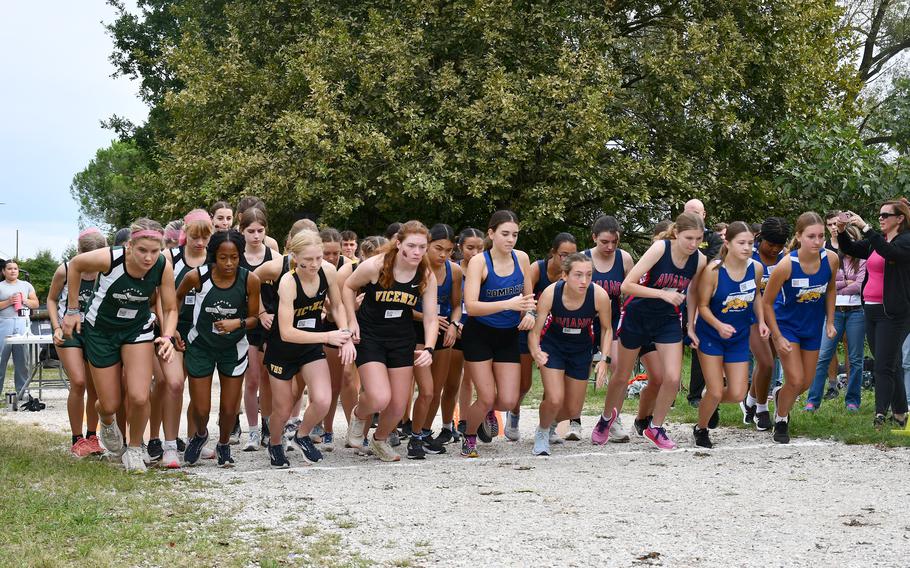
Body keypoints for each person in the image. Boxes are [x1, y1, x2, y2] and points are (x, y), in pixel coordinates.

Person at [62, 218, 178, 472]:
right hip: (101, 331)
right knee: (110, 403)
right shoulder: (108, 258)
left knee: (138, 395)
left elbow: (170, 307)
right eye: (142, 251)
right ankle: (105, 419)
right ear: (129, 247)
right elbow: (75, 265)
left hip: (136, 330)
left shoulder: (162, 266)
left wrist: (167, 336)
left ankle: (135, 449)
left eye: (154, 251)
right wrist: (72, 309)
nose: (148, 258)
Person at [597, 212, 707, 450]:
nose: (693, 244)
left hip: (667, 319)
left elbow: (694, 292)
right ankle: (606, 419)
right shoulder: (660, 249)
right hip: (637, 315)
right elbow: (627, 286)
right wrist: (662, 294)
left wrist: (691, 325)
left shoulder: (699, 260)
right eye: (689, 238)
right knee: (621, 376)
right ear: (676, 233)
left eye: (699, 239)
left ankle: (655, 427)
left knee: (673, 378)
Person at [343, 221, 437, 462]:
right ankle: (359, 414)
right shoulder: (376, 266)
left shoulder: (425, 274)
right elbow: (347, 287)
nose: (417, 252)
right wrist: (351, 321)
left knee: (396, 406)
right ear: (398, 244)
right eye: (412, 246)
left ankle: (380, 440)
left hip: (401, 339)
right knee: (378, 397)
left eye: (422, 247)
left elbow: (430, 317)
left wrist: (429, 347)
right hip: (371, 336)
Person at [177, 230, 261, 467]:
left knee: (228, 409)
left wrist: (238, 323)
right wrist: (172, 328)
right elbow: (175, 299)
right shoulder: (196, 277)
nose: (229, 263)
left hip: (233, 348)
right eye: (223, 257)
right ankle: (201, 435)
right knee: (201, 408)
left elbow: (255, 317)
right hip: (200, 346)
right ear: (213, 255)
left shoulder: (249, 280)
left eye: (234, 257)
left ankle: (223, 443)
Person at [460, 210, 536, 458]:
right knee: (485, 396)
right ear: (491, 234)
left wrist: (529, 314)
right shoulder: (479, 262)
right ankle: (469, 436)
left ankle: (488, 412)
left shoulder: (522, 258)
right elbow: (471, 306)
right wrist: (508, 304)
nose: (510, 239)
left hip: (507, 335)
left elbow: (528, 300)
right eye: (505, 234)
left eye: (514, 234)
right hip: (479, 334)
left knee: (507, 400)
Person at [763, 212, 838, 443]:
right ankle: (782, 420)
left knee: (805, 383)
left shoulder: (831, 259)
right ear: (799, 236)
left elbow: (831, 289)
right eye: (811, 236)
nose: (817, 241)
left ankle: (779, 396)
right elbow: (766, 302)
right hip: (787, 327)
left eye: (820, 236)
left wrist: (830, 321)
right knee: (795, 380)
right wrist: (776, 335)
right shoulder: (786, 265)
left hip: (812, 328)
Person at [693, 222, 768, 448]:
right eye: (741, 243)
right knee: (715, 390)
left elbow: (756, 297)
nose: (747, 248)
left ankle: (711, 400)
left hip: (738, 336)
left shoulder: (756, 268)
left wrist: (762, 322)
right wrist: (718, 326)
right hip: (711, 335)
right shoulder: (714, 270)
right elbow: (702, 306)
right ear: (728, 243)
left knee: (737, 393)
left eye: (750, 243)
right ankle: (701, 428)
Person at [528, 253, 611, 456]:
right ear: (564, 275)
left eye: (589, 275)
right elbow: (535, 331)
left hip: (581, 348)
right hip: (553, 345)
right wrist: (535, 351)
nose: (584, 281)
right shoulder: (550, 293)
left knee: (573, 410)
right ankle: (542, 431)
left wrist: (604, 360)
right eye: (578, 275)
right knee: (555, 398)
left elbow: (607, 329)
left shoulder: (599, 295)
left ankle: (552, 424)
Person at [149, 209, 214, 467]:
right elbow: (156, 302)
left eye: (205, 237)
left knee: (199, 393)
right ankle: (167, 444)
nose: (199, 242)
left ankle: (192, 439)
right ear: (184, 233)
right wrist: (169, 330)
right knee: (173, 384)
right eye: (195, 236)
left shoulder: (217, 258)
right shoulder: (168, 257)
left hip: (201, 333)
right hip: (171, 328)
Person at [249, 218, 320, 450]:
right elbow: (251, 281)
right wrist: (260, 312)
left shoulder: (319, 267)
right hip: (276, 331)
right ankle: (270, 427)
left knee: (300, 382)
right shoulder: (277, 265)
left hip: (307, 331)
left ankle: (291, 422)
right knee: (274, 383)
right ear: (292, 244)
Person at [838, 200, 910, 429]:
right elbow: (850, 248)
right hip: (870, 308)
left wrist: (866, 227)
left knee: (882, 366)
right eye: (879, 215)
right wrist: (841, 232)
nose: (880, 218)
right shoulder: (875, 242)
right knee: (891, 364)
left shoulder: (905, 241)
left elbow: (891, 253)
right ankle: (900, 413)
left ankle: (880, 414)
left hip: (893, 313)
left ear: (900, 218)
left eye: (885, 215)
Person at [505, 232, 577, 442]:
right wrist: (532, 314)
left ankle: (547, 426)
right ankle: (514, 414)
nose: (567, 260)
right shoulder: (537, 269)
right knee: (524, 383)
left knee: (554, 384)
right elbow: (525, 298)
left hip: (554, 334)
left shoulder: (574, 275)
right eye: (563, 255)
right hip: (529, 330)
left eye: (572, 255)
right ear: (553, 253)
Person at [47, 228, 108, 457]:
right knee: (79, 382)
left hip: (94, 332)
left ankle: (92, 436)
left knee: (95, 387)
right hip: (69, 332)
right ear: (79, 253)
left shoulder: (106, 270)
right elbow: (52, 299)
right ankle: (77, 438)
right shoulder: (65, 269)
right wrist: (56, 326)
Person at [408, 224, 462, 458]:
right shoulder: (414, 269)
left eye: (448, 250)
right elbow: (403, 306)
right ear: (427, 245)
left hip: (443, 332)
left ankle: (424, 432)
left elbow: (458, 305)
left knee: (436, 389)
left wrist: (453, 324)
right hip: (416, 331)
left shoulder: (455, 271)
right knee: (425, 389)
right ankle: (410, 432)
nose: (443, 255)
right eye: (438, 248)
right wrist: (428, 317)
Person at [582, 215, 634, 442]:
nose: (610, 246)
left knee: (620, 369)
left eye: (614, 242)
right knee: (577, 370)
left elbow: (631, 292)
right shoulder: (583, 259)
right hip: (584, 322)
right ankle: (571, 419)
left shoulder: (624, 259)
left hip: (612, 321)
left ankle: (613, 418)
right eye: (604, 242)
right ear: (594, 238)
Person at [805, 225, 866, 412]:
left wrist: (839, 286)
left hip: (856, 311)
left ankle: (852, 400)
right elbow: (826, 284)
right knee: (823, 356)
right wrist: (844, 283)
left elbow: (859, 286)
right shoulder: (831, 259)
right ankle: (812, 401)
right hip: (834, 311)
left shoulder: (862, 259)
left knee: (856, 359)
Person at [741, 217, 791, 431]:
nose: (774, 250)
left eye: (779, 246)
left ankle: (749, 402)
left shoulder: (785, 258)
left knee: (765, 364)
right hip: (751, 316)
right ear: (759, 238)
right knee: (767, 363)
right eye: (771, 245)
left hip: (777, 316)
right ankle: (762, 408)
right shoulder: (747, 256)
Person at [237, 207, 280, 444]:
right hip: (247, 320)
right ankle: (251, 431)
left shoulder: (273, 256)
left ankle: (267, 426)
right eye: (251, 231)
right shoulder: (236, 256)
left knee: (268, 378)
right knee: (251, 378)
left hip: (270, 321)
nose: (255, 235)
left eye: (260, 231)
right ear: (242, 231)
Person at [442, 228, 485, 444]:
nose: (475, 252)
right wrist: (455, 323)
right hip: (456, 327)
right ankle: (447, 425)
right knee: (452, 382)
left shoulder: (488, 269)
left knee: (472, 378)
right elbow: (452, 302)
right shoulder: (455, 270)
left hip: (479, 327)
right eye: (470, 248)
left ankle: (467, 422)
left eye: (480, 248)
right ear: (460, 248)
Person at [683, 199, 724, 407]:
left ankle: (696, 395)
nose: (693, 217)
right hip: (673, 296)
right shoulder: (674, 237)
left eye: (696, 213)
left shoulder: (714, 238)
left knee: (699, 344)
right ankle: (666, 390)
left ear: (704, 215)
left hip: (701, 298)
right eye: (689, 213)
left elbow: (711, 266)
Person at [0, 259, 39, 400]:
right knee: (1, 359)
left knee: (22, 360)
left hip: (22, 322)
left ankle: (22, 393)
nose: (13, 271)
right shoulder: (1, 286)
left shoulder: (26, 285)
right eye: (9, 268)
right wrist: (9, 302)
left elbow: (35, 303)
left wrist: (25, 301)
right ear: (4, 271)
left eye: (15, 268)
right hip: (4, 323)